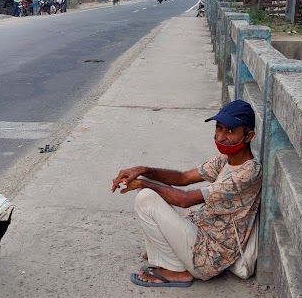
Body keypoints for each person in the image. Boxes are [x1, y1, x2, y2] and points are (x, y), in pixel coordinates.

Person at [111, 99, 262, 287]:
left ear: (248, 136)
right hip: (201, 233)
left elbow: (185, 200)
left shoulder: (248, 172)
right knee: (157, 194)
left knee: (147, 198)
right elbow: (182, 178)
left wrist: (143, 183)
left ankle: (176, 272)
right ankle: (170, 257)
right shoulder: (225, 160)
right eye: (219, 128)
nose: (220, 137)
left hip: (210, 256)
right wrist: (143, 170)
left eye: (230, 131)